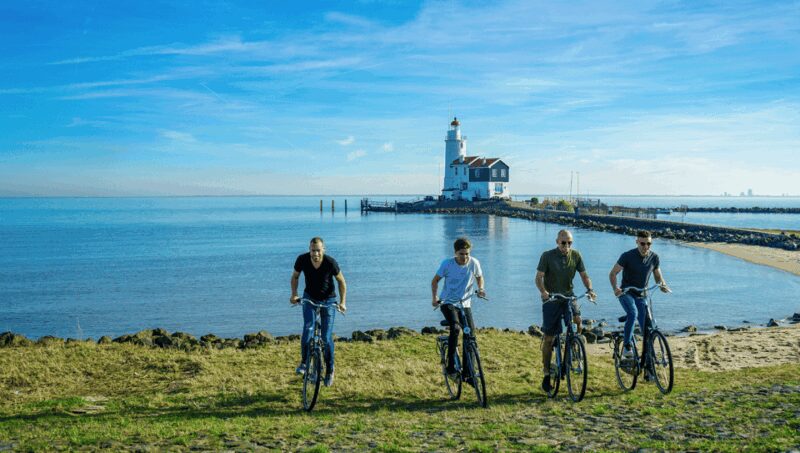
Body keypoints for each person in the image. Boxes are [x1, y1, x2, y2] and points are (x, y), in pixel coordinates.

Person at [535, 229, 596, 393]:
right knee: (548, 338)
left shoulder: (576, 255)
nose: (567, 245)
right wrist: (543, 292)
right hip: (552, 299)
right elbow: (538, 277)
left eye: (570, 242)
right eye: (564, 242)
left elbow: (584, 275)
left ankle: (571, 352)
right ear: (557, 241)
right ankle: (547, 374)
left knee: (577, 323)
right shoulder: (547, 256)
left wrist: (590, 289)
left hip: (569, 296)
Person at [290, 237, 347, 387]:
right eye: (313, 250)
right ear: (309, 250)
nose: (315, 254)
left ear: (323, 250)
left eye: (318, 250)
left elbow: (341, 281)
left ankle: (329, 369)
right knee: (308, 328)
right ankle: (304, 363)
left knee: (326, 338)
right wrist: (294, 294)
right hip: (309, 298)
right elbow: (295, 277)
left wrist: (342, 302)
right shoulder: (302, 260)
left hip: (328, 301)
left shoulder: (330, 262)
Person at [608, 230, 670, 361]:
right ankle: (626, 346)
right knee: (633, 313)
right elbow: (613, 273)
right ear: (637, 242)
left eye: (649, 244)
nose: (646, 247)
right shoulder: (627, 256)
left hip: (642, 295)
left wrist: (662, 285)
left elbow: (657, 275)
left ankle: (648, 364)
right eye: (642, 243)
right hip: (626, 293)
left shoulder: (654, 257)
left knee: (647, 328)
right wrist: (616, 288)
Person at [431, 237, 486, 380]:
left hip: (465, 303)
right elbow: (435, 280)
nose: (465, 257)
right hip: (448, 302)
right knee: (455, 328)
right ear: (455, 253)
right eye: (461, 254)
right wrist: (434, 298)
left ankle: (469, 375)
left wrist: (481, 289)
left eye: (467, 253)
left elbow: (479, 277)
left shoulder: (474, 263)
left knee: (471, 337)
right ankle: (450, 367)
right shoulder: (447, 264)